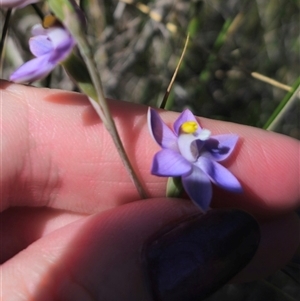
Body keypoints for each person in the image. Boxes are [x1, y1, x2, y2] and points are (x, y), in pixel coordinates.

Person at [1, 80, 299, 301]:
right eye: (188, 127)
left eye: (192, 128)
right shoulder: (167, 150)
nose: (190, 126)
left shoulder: (203, 162)